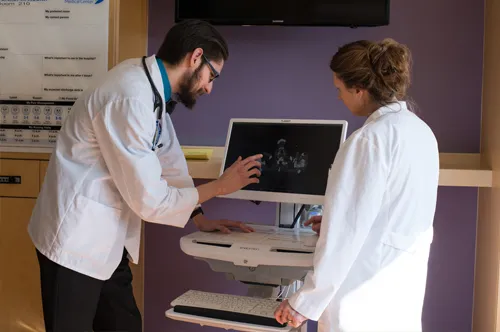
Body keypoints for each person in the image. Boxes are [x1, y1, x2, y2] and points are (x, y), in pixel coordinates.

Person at [27, 19, 262, 332]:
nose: (209, 87)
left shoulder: (151, 87)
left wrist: (198, 215)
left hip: (107, 242)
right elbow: (150, 201)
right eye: (212, 75)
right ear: (195, 58)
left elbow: (169, 158)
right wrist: (220, 187)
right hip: (75, 241)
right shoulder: (129, 97)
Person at [275, 38, 439, 332]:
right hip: (400, 291)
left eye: (339, 89)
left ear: (359, 90)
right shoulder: (421, 132)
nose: (338, 97)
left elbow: (344, 234)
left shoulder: (368, 140)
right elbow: (395, 211)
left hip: (361, 299)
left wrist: (303, 303)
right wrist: (335, 220)